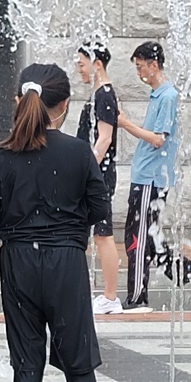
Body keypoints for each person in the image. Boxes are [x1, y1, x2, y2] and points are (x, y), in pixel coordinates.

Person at [0, 63, 128, 382]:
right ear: (61, 106)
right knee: (78, 363)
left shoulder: (3, 154)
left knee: (27, 363)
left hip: (18, 260)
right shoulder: (78, 152)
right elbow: (99, 210)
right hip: (65, 261)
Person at [115, 41, 191, 313]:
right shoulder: (158, 95)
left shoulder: (168, 97)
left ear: (153, 65)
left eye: (140, 67)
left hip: (151, 179)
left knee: (138, 238)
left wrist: (126, 124)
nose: (138, 73)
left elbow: (158, 140)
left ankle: (137, 297)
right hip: (146, 177)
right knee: (151, 239)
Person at [74, 45, 123, 315]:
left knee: (103, 235)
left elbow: (104, 138)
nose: (79, 69)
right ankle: (104, 294)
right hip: (96, 174)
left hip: (98, 176)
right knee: (98, 234)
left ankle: (110, 296)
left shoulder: (104, 95)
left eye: (82, 64)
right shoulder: (99, 95)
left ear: (97, 65)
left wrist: (86, 170)